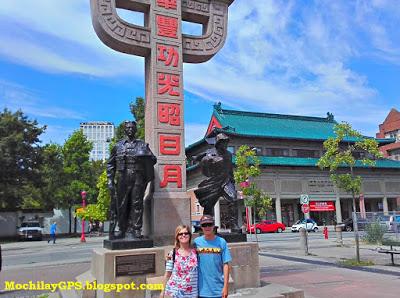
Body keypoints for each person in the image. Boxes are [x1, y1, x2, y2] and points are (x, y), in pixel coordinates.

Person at [107, 120, 157, 239]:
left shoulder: (142, 145)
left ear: (135, 130)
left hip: (138, 176)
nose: (130, 130)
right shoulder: (118, 146)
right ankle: (122, 229)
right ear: (125, 130)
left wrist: (147, 157)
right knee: (122, 204)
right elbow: (110, 164)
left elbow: (153, 159)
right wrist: (110, 180)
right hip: (122, 176)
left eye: (132, 128)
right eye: (128, 128)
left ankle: (136, 229)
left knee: (137, 203)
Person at [194, 133, 239, 232]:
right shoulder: (209, 153)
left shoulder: (228, 154)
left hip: (226, 180)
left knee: (233, 199)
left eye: (226, 143)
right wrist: (207, 161)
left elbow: (230, 168)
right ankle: (206, 225)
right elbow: (202, 167)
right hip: (214, 181)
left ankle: (233, 224)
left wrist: (232, 179)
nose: (225, 145)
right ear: (218, 143)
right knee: (209, 204)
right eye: (223, 143)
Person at [194, 215, 232, 298]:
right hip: (201, 290)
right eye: (204, 225)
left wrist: (225, 286)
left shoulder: (221, 242)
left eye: (209, 224)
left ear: (213, 225)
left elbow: (226, 265)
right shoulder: (196, 242)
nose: (207, 227)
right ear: (201, 227)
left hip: (218, 290)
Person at [161, 225, 198, 298]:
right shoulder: (172, 253)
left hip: (192, 294)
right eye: (180, 234)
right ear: (177, 237)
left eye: (186, 233)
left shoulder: (196, 252)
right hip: (174, 292)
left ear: (190, 235)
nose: (183, 235)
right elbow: (167, 274)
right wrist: (162, 292)